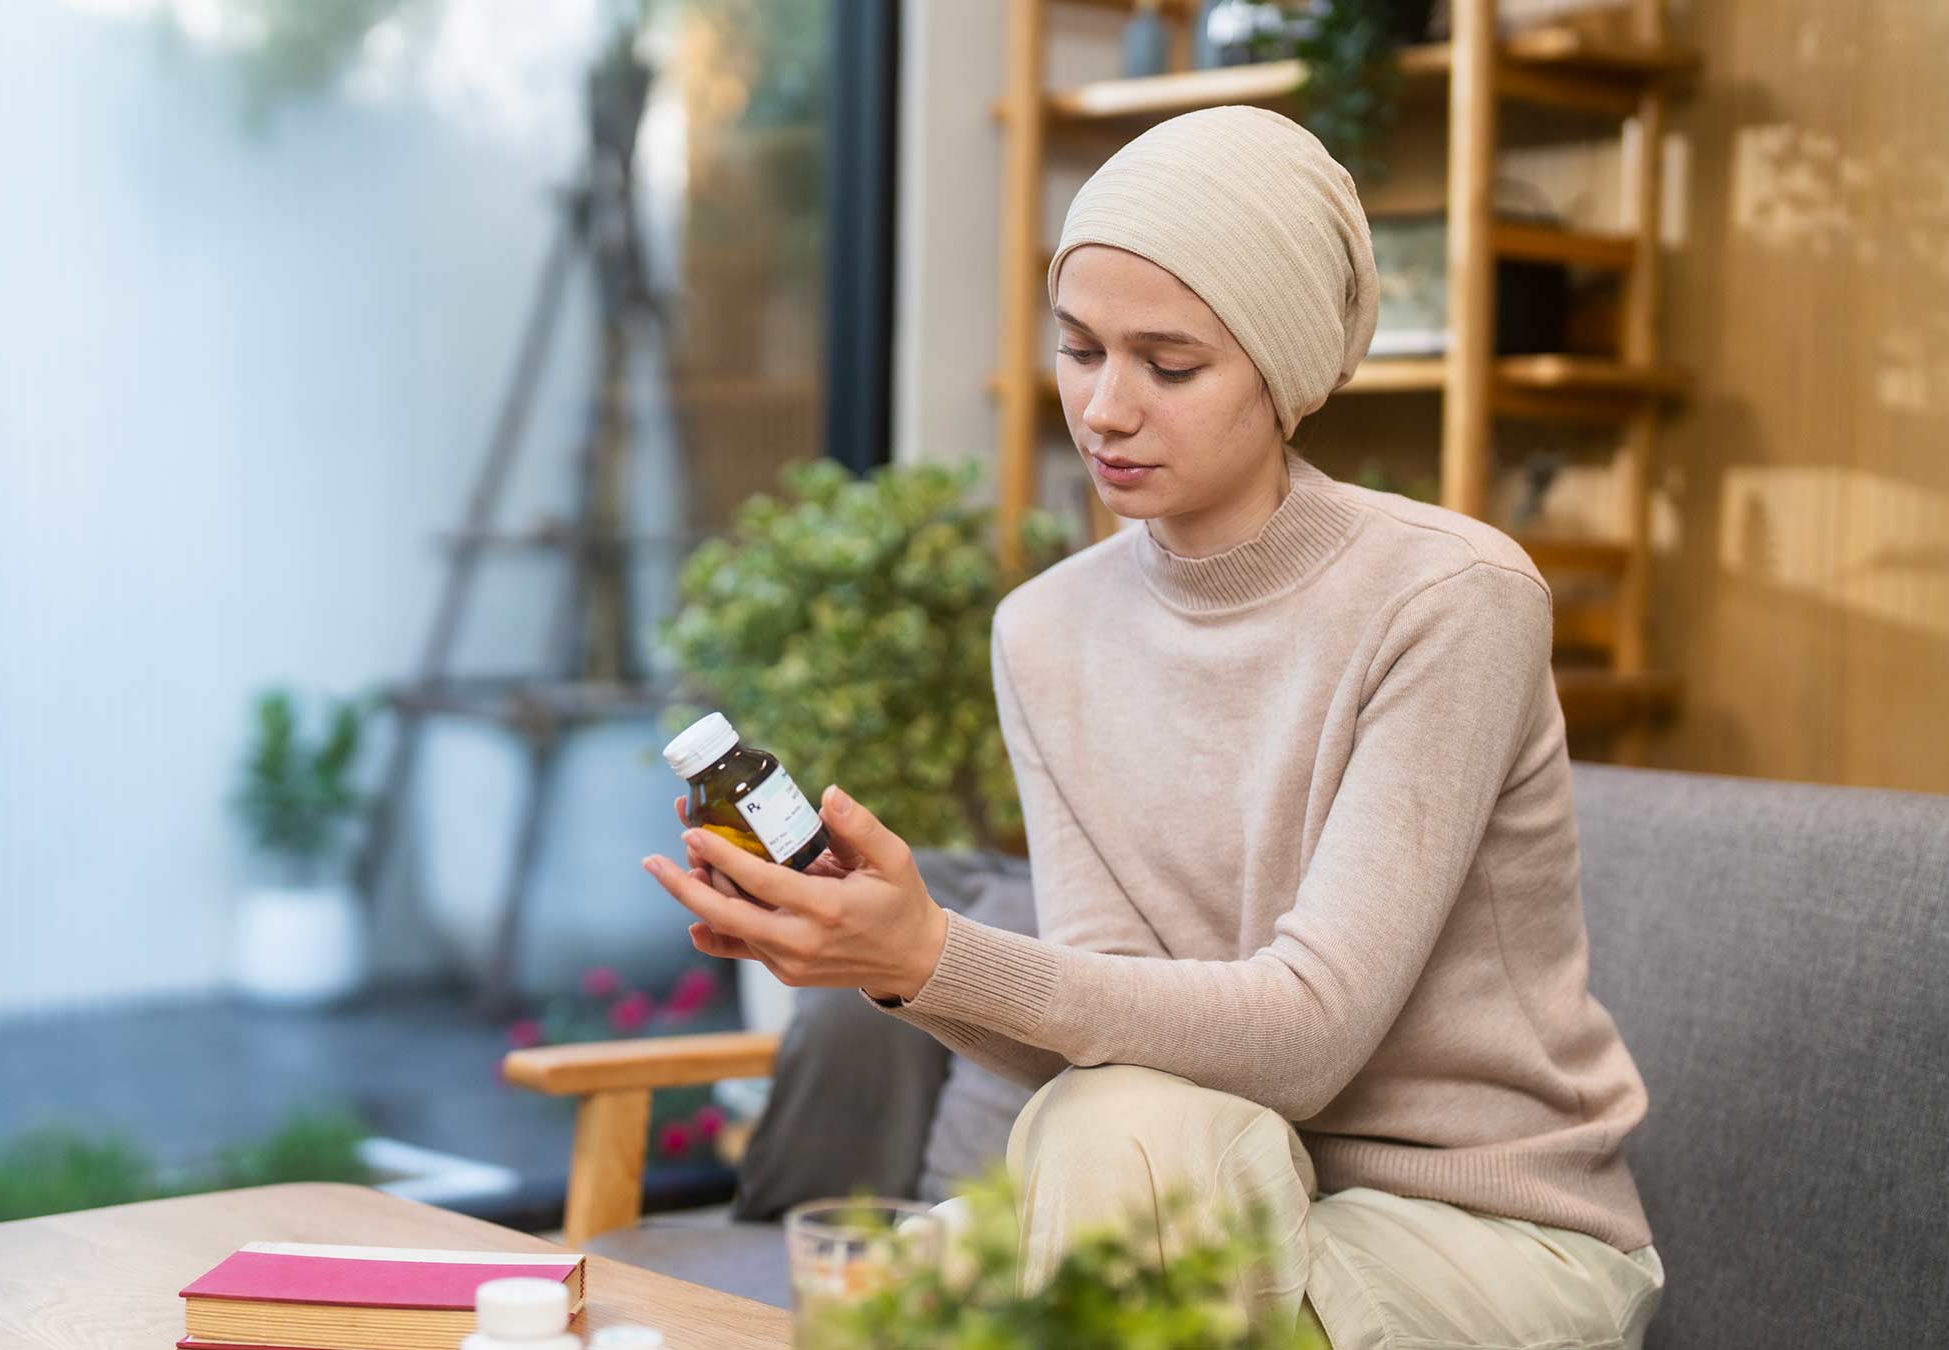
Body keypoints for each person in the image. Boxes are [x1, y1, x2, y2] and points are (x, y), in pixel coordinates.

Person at [640, 104, 1664, 1350]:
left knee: (1056, 1222)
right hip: (1196, 1177)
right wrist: (895, 963)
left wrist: (940, 952)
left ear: (1283, 374)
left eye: (1169, 366)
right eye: (1079, 350)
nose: (1105, 410)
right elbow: (1115, 1029)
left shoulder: (1451, 601)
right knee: (1095, 1129)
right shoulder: (1047, 632)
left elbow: (1304, 1046)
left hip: (1466, 1228)